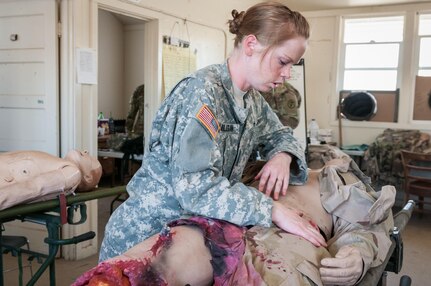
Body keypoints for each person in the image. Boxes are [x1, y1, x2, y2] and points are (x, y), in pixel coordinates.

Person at [99, 1, 326, 262]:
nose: (287, 74)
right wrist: (271, 209)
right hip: (145, 241)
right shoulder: (202, 93)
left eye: (293, 65)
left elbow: (281, 134)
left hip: (187, 242)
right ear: (251, 45)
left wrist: (283, 155)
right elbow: (196, 188)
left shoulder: (251, 101)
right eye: (283, 61)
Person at [74, 146, 396, 286]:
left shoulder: (336, 179)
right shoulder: (259, 167)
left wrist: (356, 255)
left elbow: (366, 225)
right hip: (231, 222)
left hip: (290, 244)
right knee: (144, 267)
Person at [0, 149, 102, 210]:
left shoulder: (73, 173)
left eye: (91, 159)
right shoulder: (58, 163)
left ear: (88, 178)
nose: (86, 151)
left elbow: (34, 187)